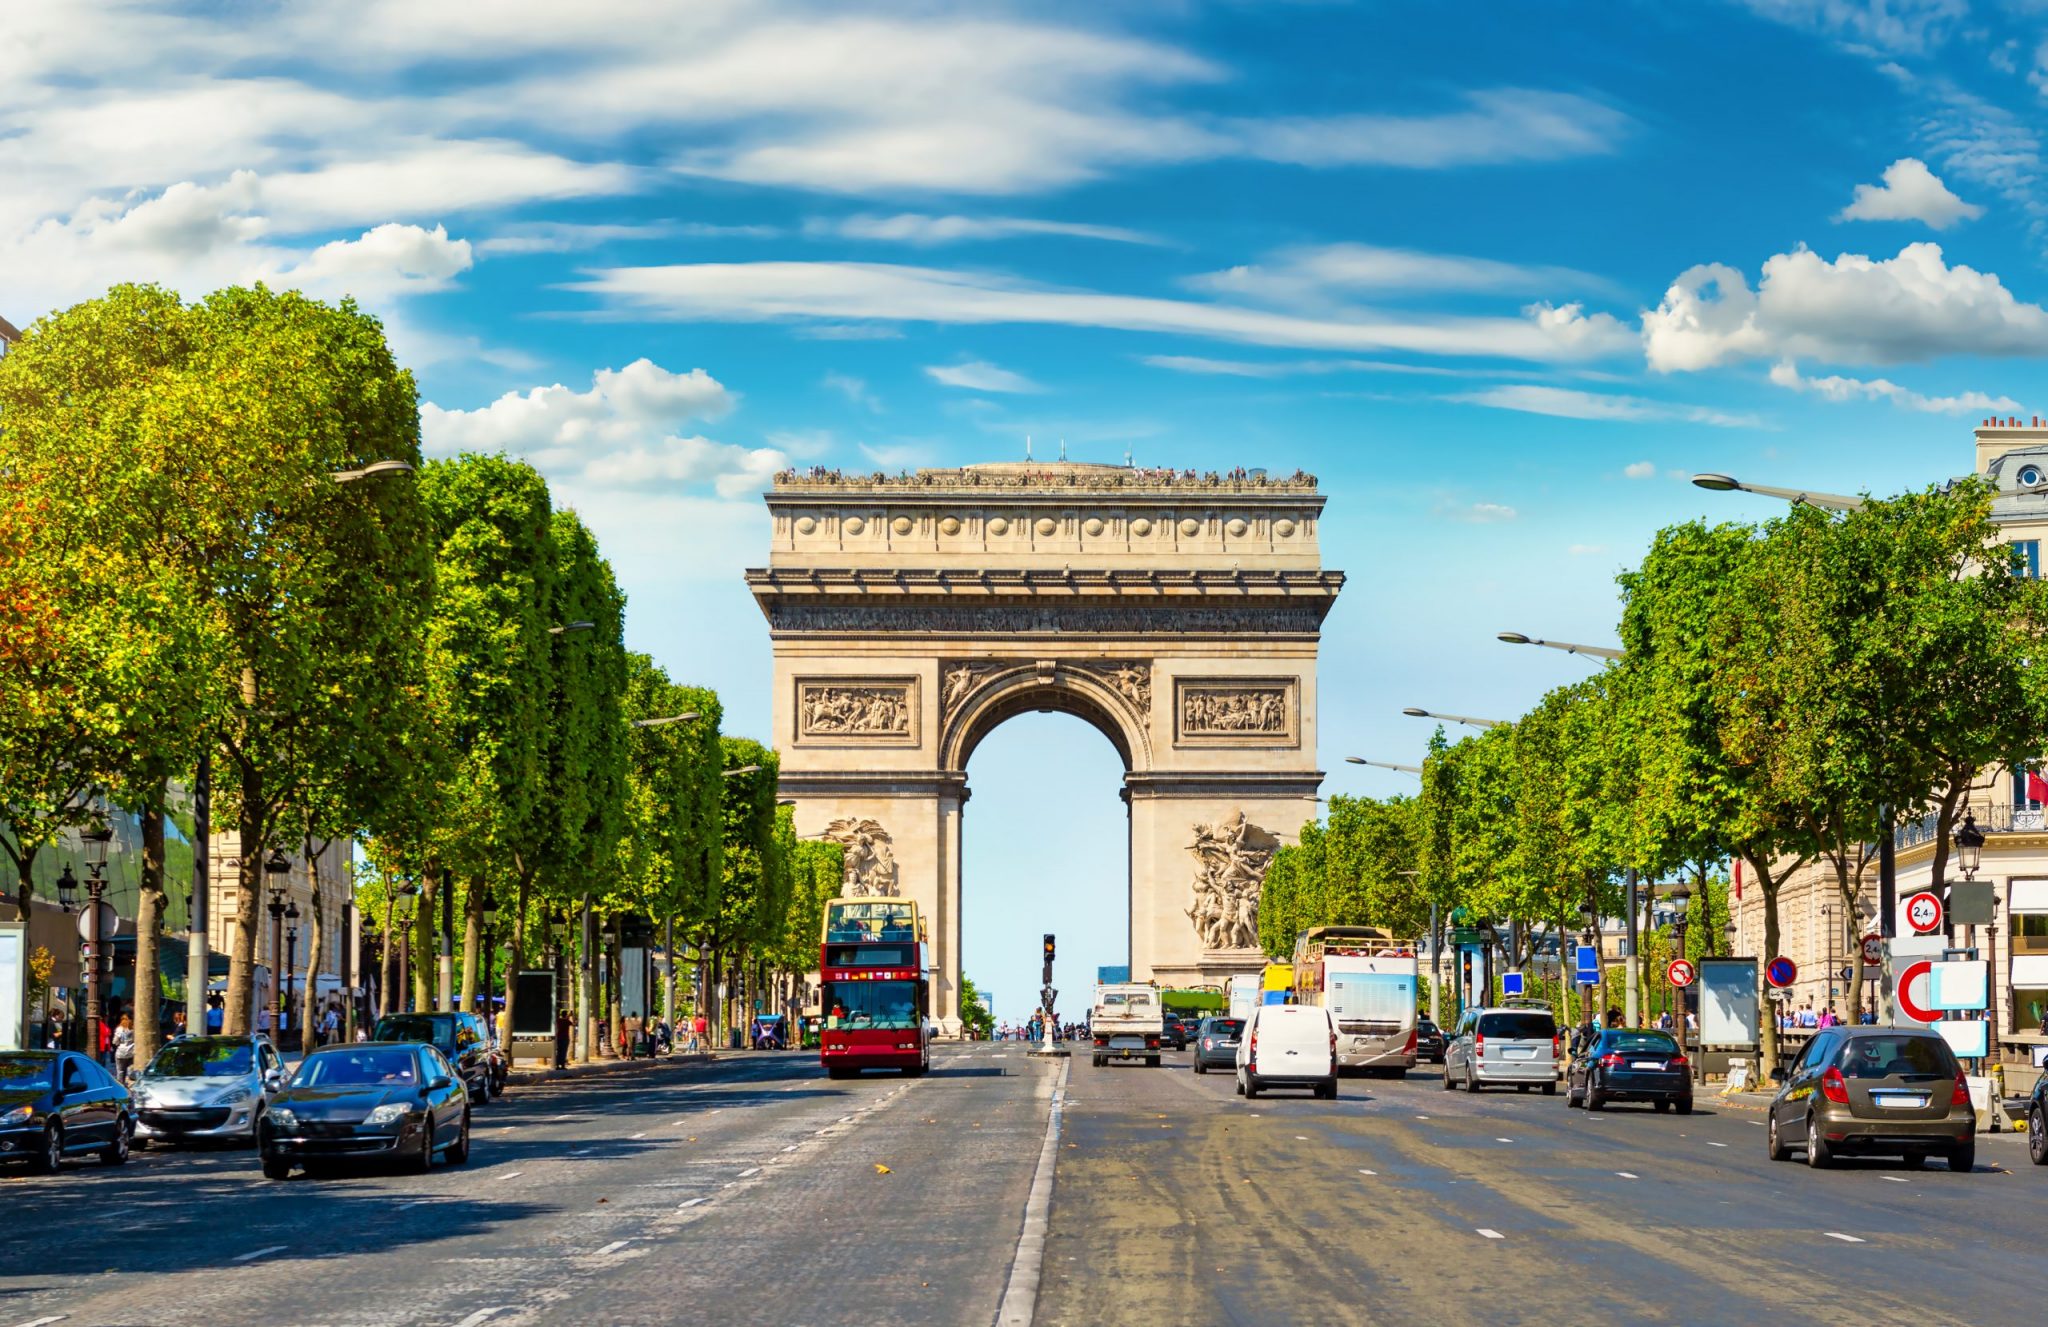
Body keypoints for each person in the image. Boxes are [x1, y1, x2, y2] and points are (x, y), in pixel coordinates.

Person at [111, 1014, 135, 1083]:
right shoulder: (133, 1029)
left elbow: (115, 1042)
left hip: (120, 1053)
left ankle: (121, 1084)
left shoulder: (119, 1029)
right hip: (131, 1052)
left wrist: (118, 1043)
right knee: (130, 1069)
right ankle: (130, 1083)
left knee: (120, 1071)